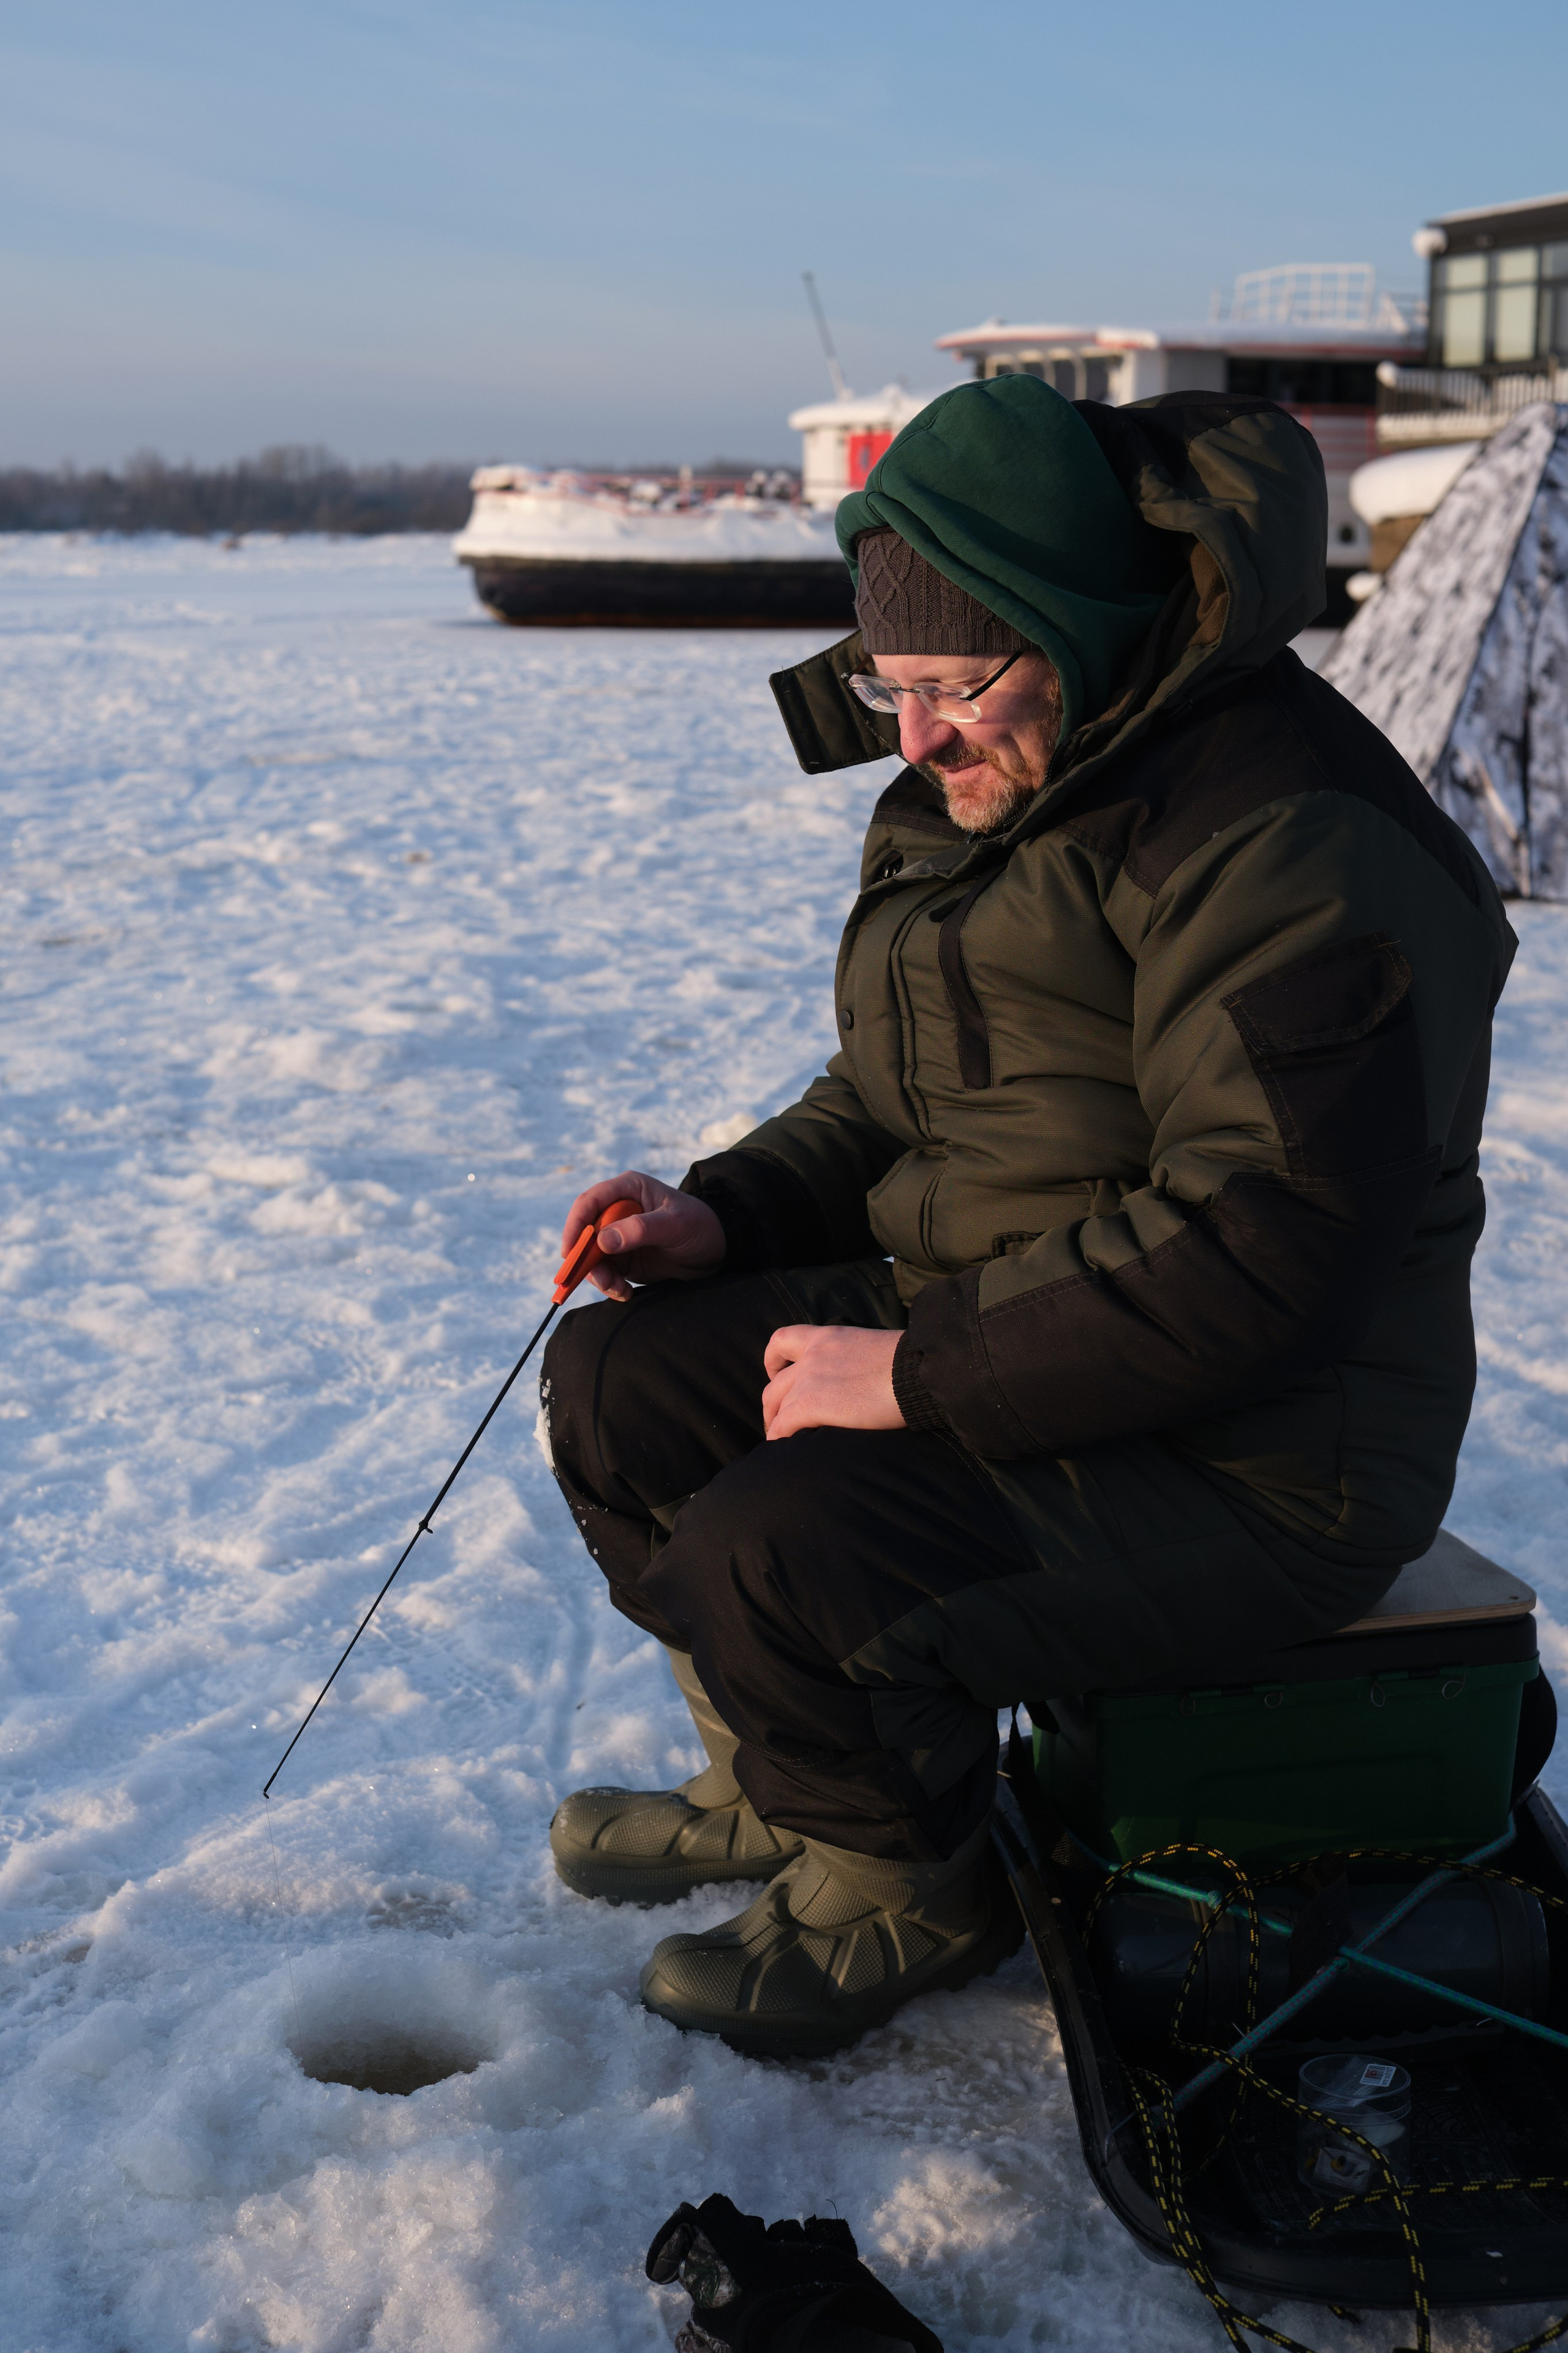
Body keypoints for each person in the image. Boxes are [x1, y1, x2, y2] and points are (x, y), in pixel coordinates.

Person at [538, 376, 1515, 2057]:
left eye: (951, 685)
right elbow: (894, 1100)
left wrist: (912, 1370)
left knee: (784, 1540)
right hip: (1022, 1317)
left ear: (1076, 625)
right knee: (620, 1389)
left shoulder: (1289, 841)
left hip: (1270, 1452)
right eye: (888, 684)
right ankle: (793, 1790)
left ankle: (907, 1880)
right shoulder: (1004, 775)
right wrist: (721, 1215)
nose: (913, 735)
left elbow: (1267, 1247)